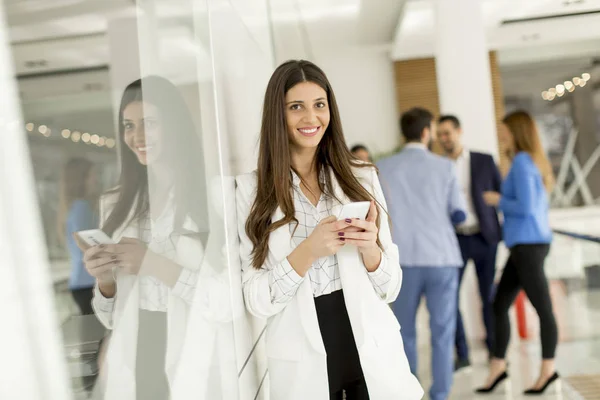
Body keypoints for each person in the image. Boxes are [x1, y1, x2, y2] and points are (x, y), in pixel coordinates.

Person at [236, 60, 423, 400]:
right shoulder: (250, 192)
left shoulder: (362, 178)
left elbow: (391, 288)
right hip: (303, 363)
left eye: (319, 105)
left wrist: (371, 251)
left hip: (371, 352)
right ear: (277, 115)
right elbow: (256, 300)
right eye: (296, 107)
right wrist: (307, 251)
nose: (311, 118)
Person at [82, 76, 209, 400]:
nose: (136, 136)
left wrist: (153, 264)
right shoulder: (115, 203)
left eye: (149, 123)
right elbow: (112, 318)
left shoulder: (212, 197)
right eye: (128, 125)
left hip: (194, 347)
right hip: (135, 350)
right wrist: (106, 282)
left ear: (174, 126)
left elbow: (225, 302)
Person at [377, 107, 466, 400]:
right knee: (443, 331)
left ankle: (409, 392)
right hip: (441, 257)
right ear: (427, 132)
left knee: (404, 332)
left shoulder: (382, 167)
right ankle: (440, 394)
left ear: (404, 133)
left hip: (403, 259)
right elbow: (459, 213)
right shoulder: (445, 167)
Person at [477, 111, 558, 395]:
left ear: (516, 132)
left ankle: (548, 371)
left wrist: (497, 200)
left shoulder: (523, 163)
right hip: (523, 245)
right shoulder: (524, 161)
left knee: (543, 310)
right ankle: (498, 367)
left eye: (504, 131)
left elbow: (524, 207)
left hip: (528, 246)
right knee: (499, 305)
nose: (501, 136)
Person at [437, 115, 502, 369]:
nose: (444, 138)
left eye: (447, 133)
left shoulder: (484, 160)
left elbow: (501, 192)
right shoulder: (438, 166)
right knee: (451, 297)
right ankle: (462, 354)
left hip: (485, 236)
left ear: (459, 132)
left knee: (488, 296)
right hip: (455, 240)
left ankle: (494, 350)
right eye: (440, 134)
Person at [58, 157, 98, 315]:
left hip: (80, 281)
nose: (96, 180)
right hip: (88, 282)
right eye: (92, 175)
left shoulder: (72, 207)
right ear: (81, 180)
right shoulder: (81, 208)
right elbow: (88, 246)